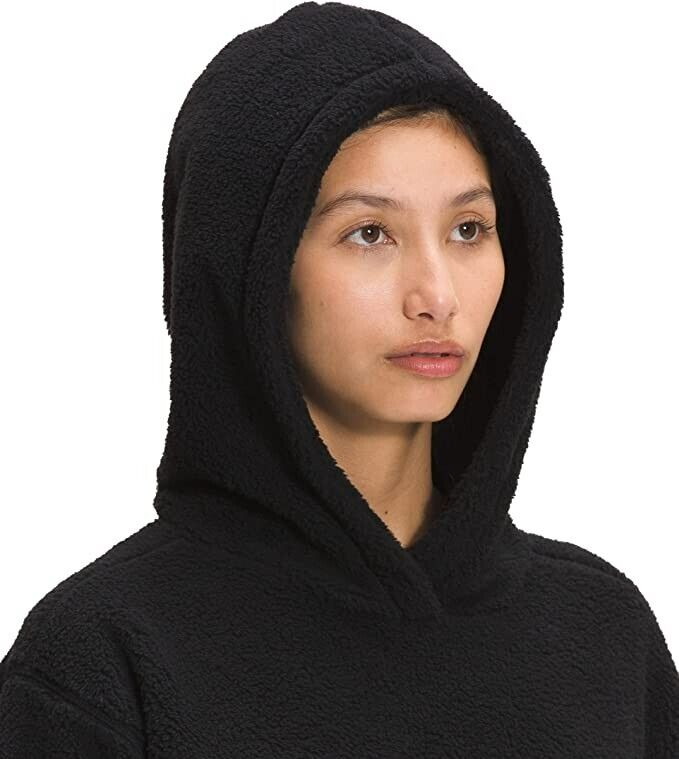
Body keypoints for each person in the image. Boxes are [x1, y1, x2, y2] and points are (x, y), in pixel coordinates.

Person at [1, 2, 677, 756]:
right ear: (248, 272)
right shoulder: (102, 662)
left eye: (468, 230)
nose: (437, 295)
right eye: (369, 233)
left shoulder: (606, 637)